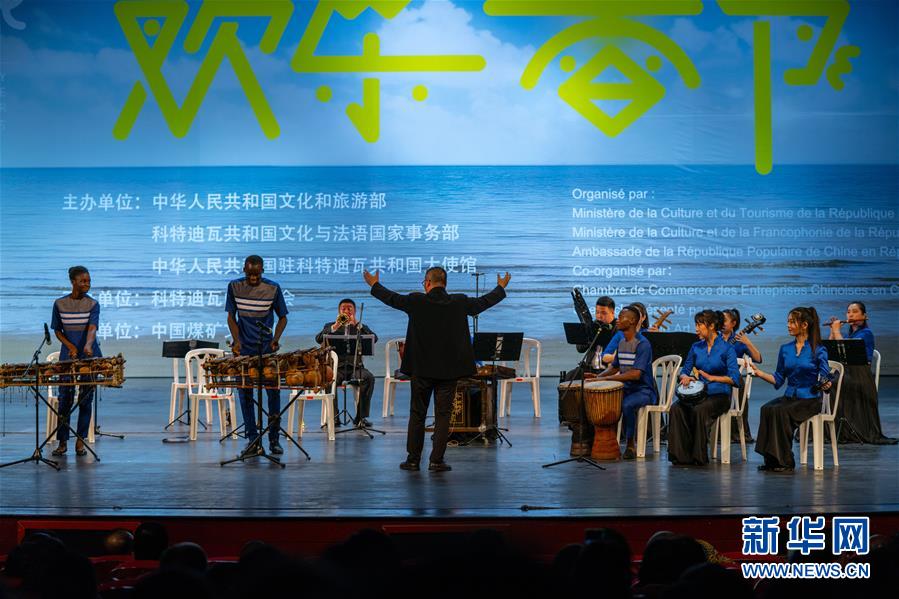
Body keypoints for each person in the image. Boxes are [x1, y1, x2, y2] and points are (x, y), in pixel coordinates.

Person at [364, 266, 510, 472]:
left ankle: (413, 460)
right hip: (449, 371)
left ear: (427, 283)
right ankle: (436, 461)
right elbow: (483, 303)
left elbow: (392, 299)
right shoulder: (459, 302)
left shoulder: (416, 301)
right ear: (445, 284)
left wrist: (374, 284)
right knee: (443, 415)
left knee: (417, 414)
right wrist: (500, 288)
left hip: (422, 370)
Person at [751, 307, 831, 472]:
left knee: (781, 412)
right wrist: (759, 373)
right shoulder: (785, 349)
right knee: (767, 409)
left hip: (810, 399)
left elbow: (825, 376)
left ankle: (785, 461)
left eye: (792, 322)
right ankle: (771, 460)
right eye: (788, 322)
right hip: (790, 396)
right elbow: (778, 379)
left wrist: (826, 384)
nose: (788, 325)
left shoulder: (818, 349)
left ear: (804, 325)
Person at [226, 255, 288, 456]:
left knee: (273, 393)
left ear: (262, 271)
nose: (253, 278)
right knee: (245, 394)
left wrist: (275, 339)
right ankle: (252, 438)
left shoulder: (273, 288)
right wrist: (236, 341)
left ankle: (274, 439)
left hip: (266, 349)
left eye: (257, 274)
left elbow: (283, 318)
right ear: (244, 270)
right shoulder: (234, 287)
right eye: (250, 274)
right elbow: (231, 317)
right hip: (244, 350)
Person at [668, 310, 740, 466]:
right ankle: (680, 456)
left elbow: (735, 379)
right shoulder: (696, 347)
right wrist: (685, 377)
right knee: (676, 408)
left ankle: (698, 456)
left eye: (699, 325)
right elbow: (685, 370)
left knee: (699, 410)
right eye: (696, 325)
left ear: (712, 326)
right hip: (700, 395)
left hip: (720, 395)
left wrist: (713, 378)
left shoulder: (727, 348)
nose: (696, 329)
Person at [827, 301, 896, 444]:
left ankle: (843, 430)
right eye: (848, 312)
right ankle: (831, 429)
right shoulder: (851, 334)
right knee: (825, 383)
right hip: (847, 373)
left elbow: (847, 353)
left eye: (855, 312)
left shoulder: (866, 333)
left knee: (832, 385)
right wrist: (832, 333)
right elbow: (831, 351)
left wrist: (837, 332)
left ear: (864, 315)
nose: (850, 315)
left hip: (860, 375)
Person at [593, 306, 657, 459]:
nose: (618, 320)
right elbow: (614, 367)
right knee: (605, 401)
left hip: (644, 390)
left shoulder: (643, 344)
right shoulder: (621, 342)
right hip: (627, 388)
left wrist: (607, 379)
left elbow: (635, 374)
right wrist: (596, 378)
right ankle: (603, 442)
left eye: (622, 317)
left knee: (627, 404)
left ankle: (630, 444)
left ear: (633, 321)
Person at [51, 266, 101, 457]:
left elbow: (92, 328)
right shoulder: (59, 304)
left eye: (89, 281)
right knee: (65, 398)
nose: (87, 284)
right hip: (68, 357)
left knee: (85, 399)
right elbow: (57, 330)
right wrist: (71, 346)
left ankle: (80, 441)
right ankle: (62, 442)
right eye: (83, 281)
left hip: (89, 356)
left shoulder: (93, 304)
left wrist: (88, 345)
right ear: (73, 282)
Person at [315, 299, 378, 428]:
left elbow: (374, 338)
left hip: (356, 368)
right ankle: (334, 416)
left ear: (355, 311)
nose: (346, 311)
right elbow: (318, 338)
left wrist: (357, 325)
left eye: (350, 308)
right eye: (343, 308)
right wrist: (335, 326)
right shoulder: (330, 326)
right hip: (336, 369)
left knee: (368, 378)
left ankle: (360, 417)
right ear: (339, 311)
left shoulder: (360, 327)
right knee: (328, 378)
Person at [720, 308, 762, 443]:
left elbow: (758, 358)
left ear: (733, 323)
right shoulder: (714, 339)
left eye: (724, 321)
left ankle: (738, 432)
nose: (721, 323)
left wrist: (747, 342)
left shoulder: (739, 341)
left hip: (733, 381)